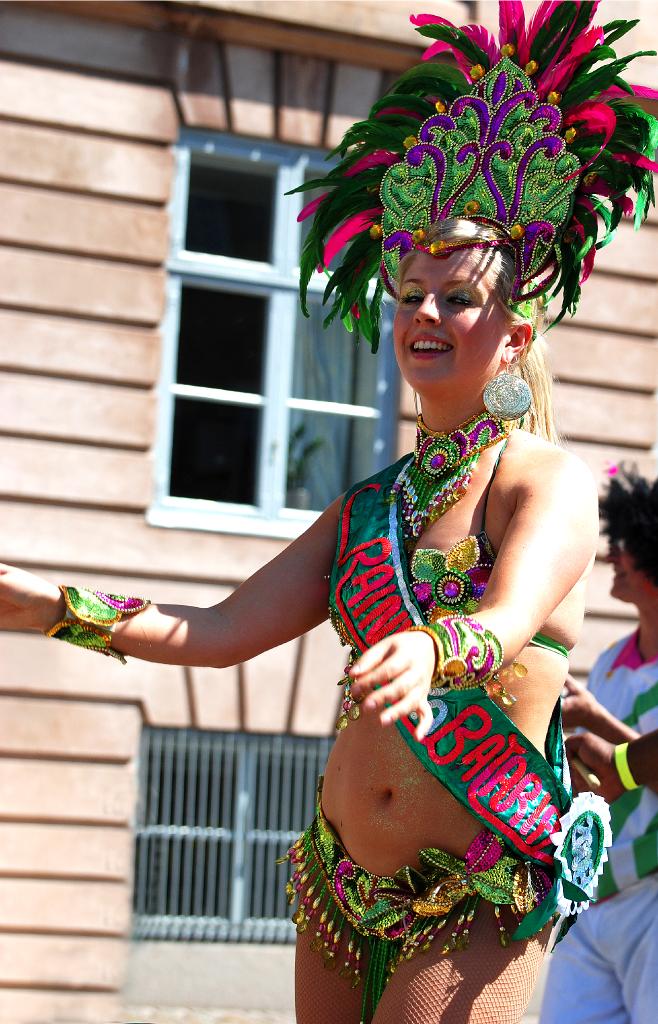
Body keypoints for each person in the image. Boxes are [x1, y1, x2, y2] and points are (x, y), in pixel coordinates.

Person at [1, 4, 655, 1022]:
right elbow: (215, 633)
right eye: (408, 293)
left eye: (455, 296)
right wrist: (51, 609)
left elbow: (509, 615)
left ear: (517, 324)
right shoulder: (370, 507)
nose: (424, 315)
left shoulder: (544, 478)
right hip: (334, 883)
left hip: (477, 881)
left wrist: (437, 652)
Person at [540, 470, 658, 1024]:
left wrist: (599, 721)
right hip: (592, 897)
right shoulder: (611, 659)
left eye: (625, 544)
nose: (612, 556)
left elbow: (637, 765)